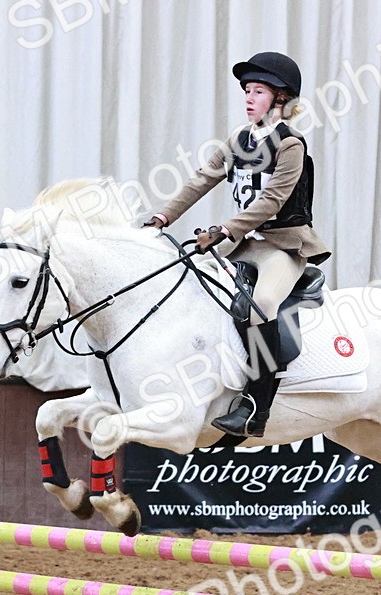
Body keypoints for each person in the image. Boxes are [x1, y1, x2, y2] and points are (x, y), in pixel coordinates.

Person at [145, 52, 330, 437]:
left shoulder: (290, 144)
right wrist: (163, 217)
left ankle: (255, 406)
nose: (248, 98)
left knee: (261, 305)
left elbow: (272, 202)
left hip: (283, 246)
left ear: (280, 98)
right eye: (246, 90)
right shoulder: (239, 139)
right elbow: (202, 178)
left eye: (257, 91)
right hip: (243, 244)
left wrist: (225, 230)